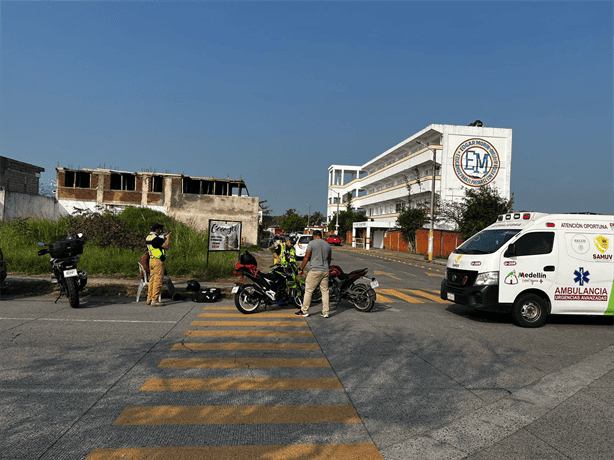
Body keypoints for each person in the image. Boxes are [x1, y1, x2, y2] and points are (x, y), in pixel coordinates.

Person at [296, 230, 332, 318]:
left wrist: (301, 268)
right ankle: (325, 312)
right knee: (325, 291)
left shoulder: (312, 243)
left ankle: (304, 311)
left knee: (308, 290)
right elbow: (329, 259)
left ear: (314, 236)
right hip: (325, 270)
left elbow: (306, 257)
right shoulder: (328, 245)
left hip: (315, 270)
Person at [145, 222, 171, 307]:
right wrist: (168, 238)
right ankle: (154, 300)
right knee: (158, 280)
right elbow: (166, 246)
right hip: (158, 261)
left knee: (152, 280)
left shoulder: (149, 237)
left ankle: (149, 299)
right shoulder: (156, 239)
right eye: (159, 229)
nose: (160, 231)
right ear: (157, 230)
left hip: (151, 260)